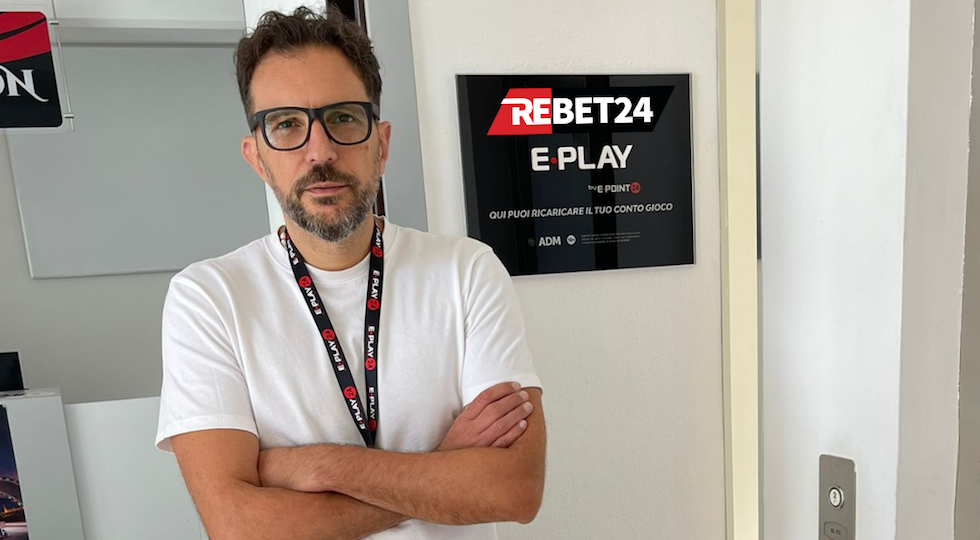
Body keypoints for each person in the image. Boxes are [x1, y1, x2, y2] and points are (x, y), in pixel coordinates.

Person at [154, 6, 545, 540]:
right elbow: (237, 527)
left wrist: (319, 467)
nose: (320, 151)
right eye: (286, 124)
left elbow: (514, 489)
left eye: (342, 118)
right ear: (257, 158)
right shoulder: (208, 298)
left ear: (380, 145)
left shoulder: (467, 272)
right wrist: (443, 464)